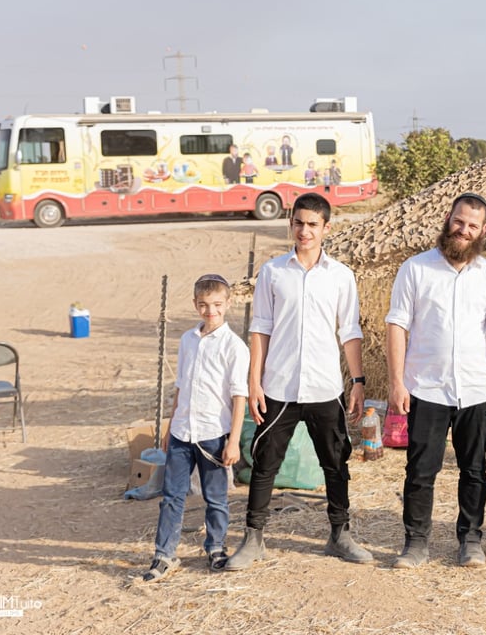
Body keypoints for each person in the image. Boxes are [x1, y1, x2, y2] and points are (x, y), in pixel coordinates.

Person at [225, 192, 372, 570]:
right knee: (264, 463)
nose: (304, 231)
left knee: (336, 463)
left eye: (312, 224)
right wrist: (254, 382)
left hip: (325, 387)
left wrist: (357, 381)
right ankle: (253, 539)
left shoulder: (341, 276)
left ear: (326, 228)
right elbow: (260, 329)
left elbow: (350, 331)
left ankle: (340, 535)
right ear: (290, 224)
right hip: (280, 386)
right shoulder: (274, 272)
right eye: (298, 223)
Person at [386, 192, 486, 569]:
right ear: (447, 220)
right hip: (426, 386)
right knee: (421, 471)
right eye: (458, 221)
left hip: (476, 388)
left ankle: (470, 539)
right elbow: (397, 325)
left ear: (483, 231)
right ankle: (416, 542)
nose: (463, 230)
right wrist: (396, 383)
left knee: (474, 470)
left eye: (472, 225)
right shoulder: (416, 269)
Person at [141, 274, 248, 582]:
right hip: (181, 432)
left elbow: (238, 395)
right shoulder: (188, 340)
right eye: (203, 305)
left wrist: (234, 441)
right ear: (195, 305)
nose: (210, 311)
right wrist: (170, 423)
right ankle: (164, 554)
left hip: (213, 434)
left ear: (228, 304)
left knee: (216, 497)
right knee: (172, 495)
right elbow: (181, 385)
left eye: (216, 304)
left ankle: (215, 548)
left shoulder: (234, 346)